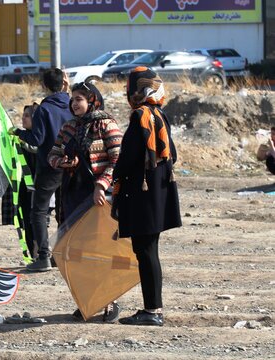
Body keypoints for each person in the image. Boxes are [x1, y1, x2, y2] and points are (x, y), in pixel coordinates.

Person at [112, 67, 181, 327]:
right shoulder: (160, 114)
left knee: (146, 252)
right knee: (150, 250)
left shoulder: (140, 116)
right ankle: (153, 308)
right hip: (158, 194)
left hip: (142, 195)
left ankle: (153, 310)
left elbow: (128, 158)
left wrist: (114, 181)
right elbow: (170, 153)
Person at [48, 81, 123, 322]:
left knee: (100, 250)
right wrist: (62, 163)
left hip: (99, 197)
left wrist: (102, 184)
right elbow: (53, 154)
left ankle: (109, 301)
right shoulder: (69, 127)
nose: (74, 103)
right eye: (72, 98)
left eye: (79, 98)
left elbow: (117, 160)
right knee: (76, 251)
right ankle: (87, 300)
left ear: (92, 100)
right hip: (71, 195)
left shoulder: (106, 124)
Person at [20, 68, 72, 272]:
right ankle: (62, 255)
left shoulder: (44, 109)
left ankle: (43, 256)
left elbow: (37, 139)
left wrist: (20, 133)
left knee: (39, 212)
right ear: (63, 84)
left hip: (49, 166)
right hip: (69, 166)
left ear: (44, 85)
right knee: (63, 212)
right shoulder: (71, 104)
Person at [0, 103, 38, 259]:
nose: (23, 118)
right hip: (21, 186)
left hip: (36, 188)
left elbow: (34, 149)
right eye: (23, 115)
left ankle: (40, 254)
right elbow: (10, 154)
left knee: (36, 222)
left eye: (27, 115)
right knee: (25, 223)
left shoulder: (38, 137)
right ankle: (34, 256)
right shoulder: (20, 134)